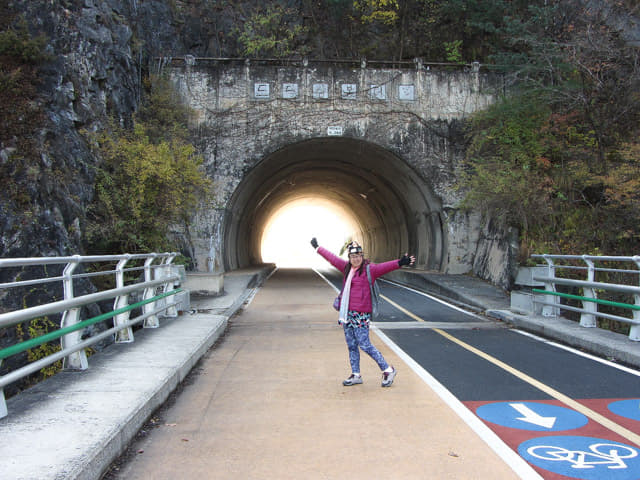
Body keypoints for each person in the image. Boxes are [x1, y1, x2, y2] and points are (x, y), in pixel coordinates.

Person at [310, 238, 415, 387]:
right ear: (350, 258)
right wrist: (318, 248)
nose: (356, 259)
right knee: (351, 345)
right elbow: (332, 259)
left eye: (358, 256)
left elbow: (386, 267)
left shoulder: (369, 269)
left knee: (364, 344)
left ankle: (388, 369)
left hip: (361, 314)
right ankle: (356, 374)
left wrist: (401, 262)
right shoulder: (346, 268)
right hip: (347, 314)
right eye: (353, 256)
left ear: (362, 256)